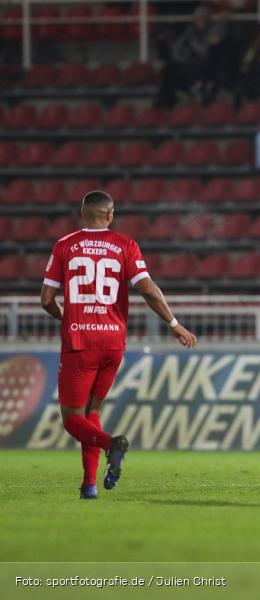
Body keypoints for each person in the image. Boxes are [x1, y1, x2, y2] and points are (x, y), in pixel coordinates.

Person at [40, 191, 197, 500]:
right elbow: (148, 290)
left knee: (73, 419)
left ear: (82, 213)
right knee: (92, 409)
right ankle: (89, 486)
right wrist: (174, 324)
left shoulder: (65, 245)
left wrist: (66, 316)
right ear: (110, 215)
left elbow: (46, 299)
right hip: (113, 342)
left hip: (80, 341)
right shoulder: (125, 245)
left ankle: (111, 443)